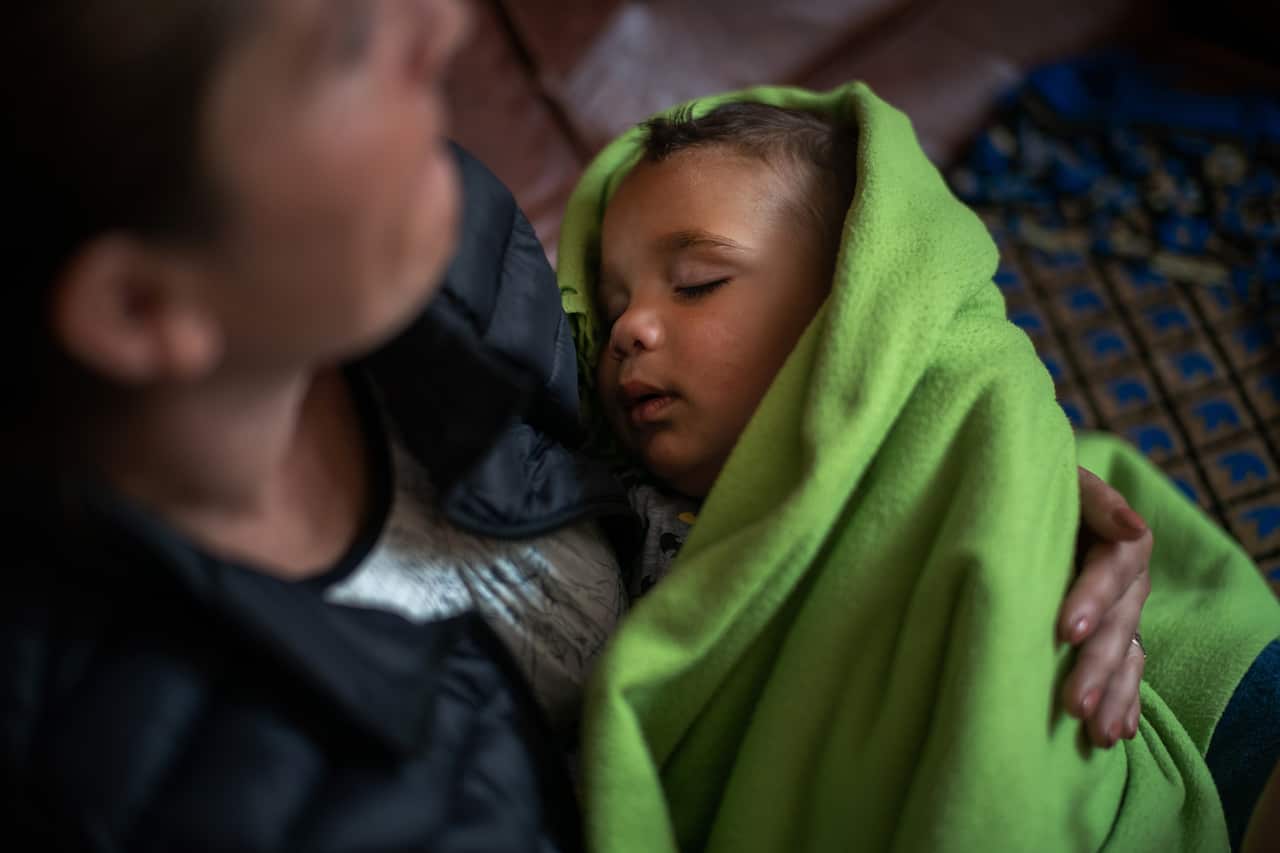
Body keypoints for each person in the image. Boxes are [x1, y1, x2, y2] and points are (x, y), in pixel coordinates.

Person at [0, 2, 1155, 850]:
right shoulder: (190, 793)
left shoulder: (446, 256)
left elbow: (831, 238)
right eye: (346, 46)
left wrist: (1003, 492)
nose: (443, 28)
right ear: (144, 308)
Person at [562, 92, 1280, 851]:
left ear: (856, 296)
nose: (629, 331)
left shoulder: (967, 416)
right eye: (610, 309)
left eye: (698, 281)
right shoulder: (619, 517)